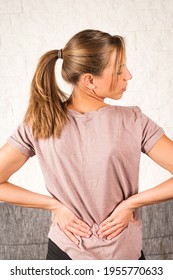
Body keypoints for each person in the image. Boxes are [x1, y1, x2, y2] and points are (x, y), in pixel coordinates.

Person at [0, 29, 173, 260]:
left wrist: (130, 203)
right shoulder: (42, 123)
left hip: (112, 255)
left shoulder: (39, 122)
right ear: (89, 80)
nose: (128, 76)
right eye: (119, 70)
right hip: (77, 254)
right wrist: (54, 206)